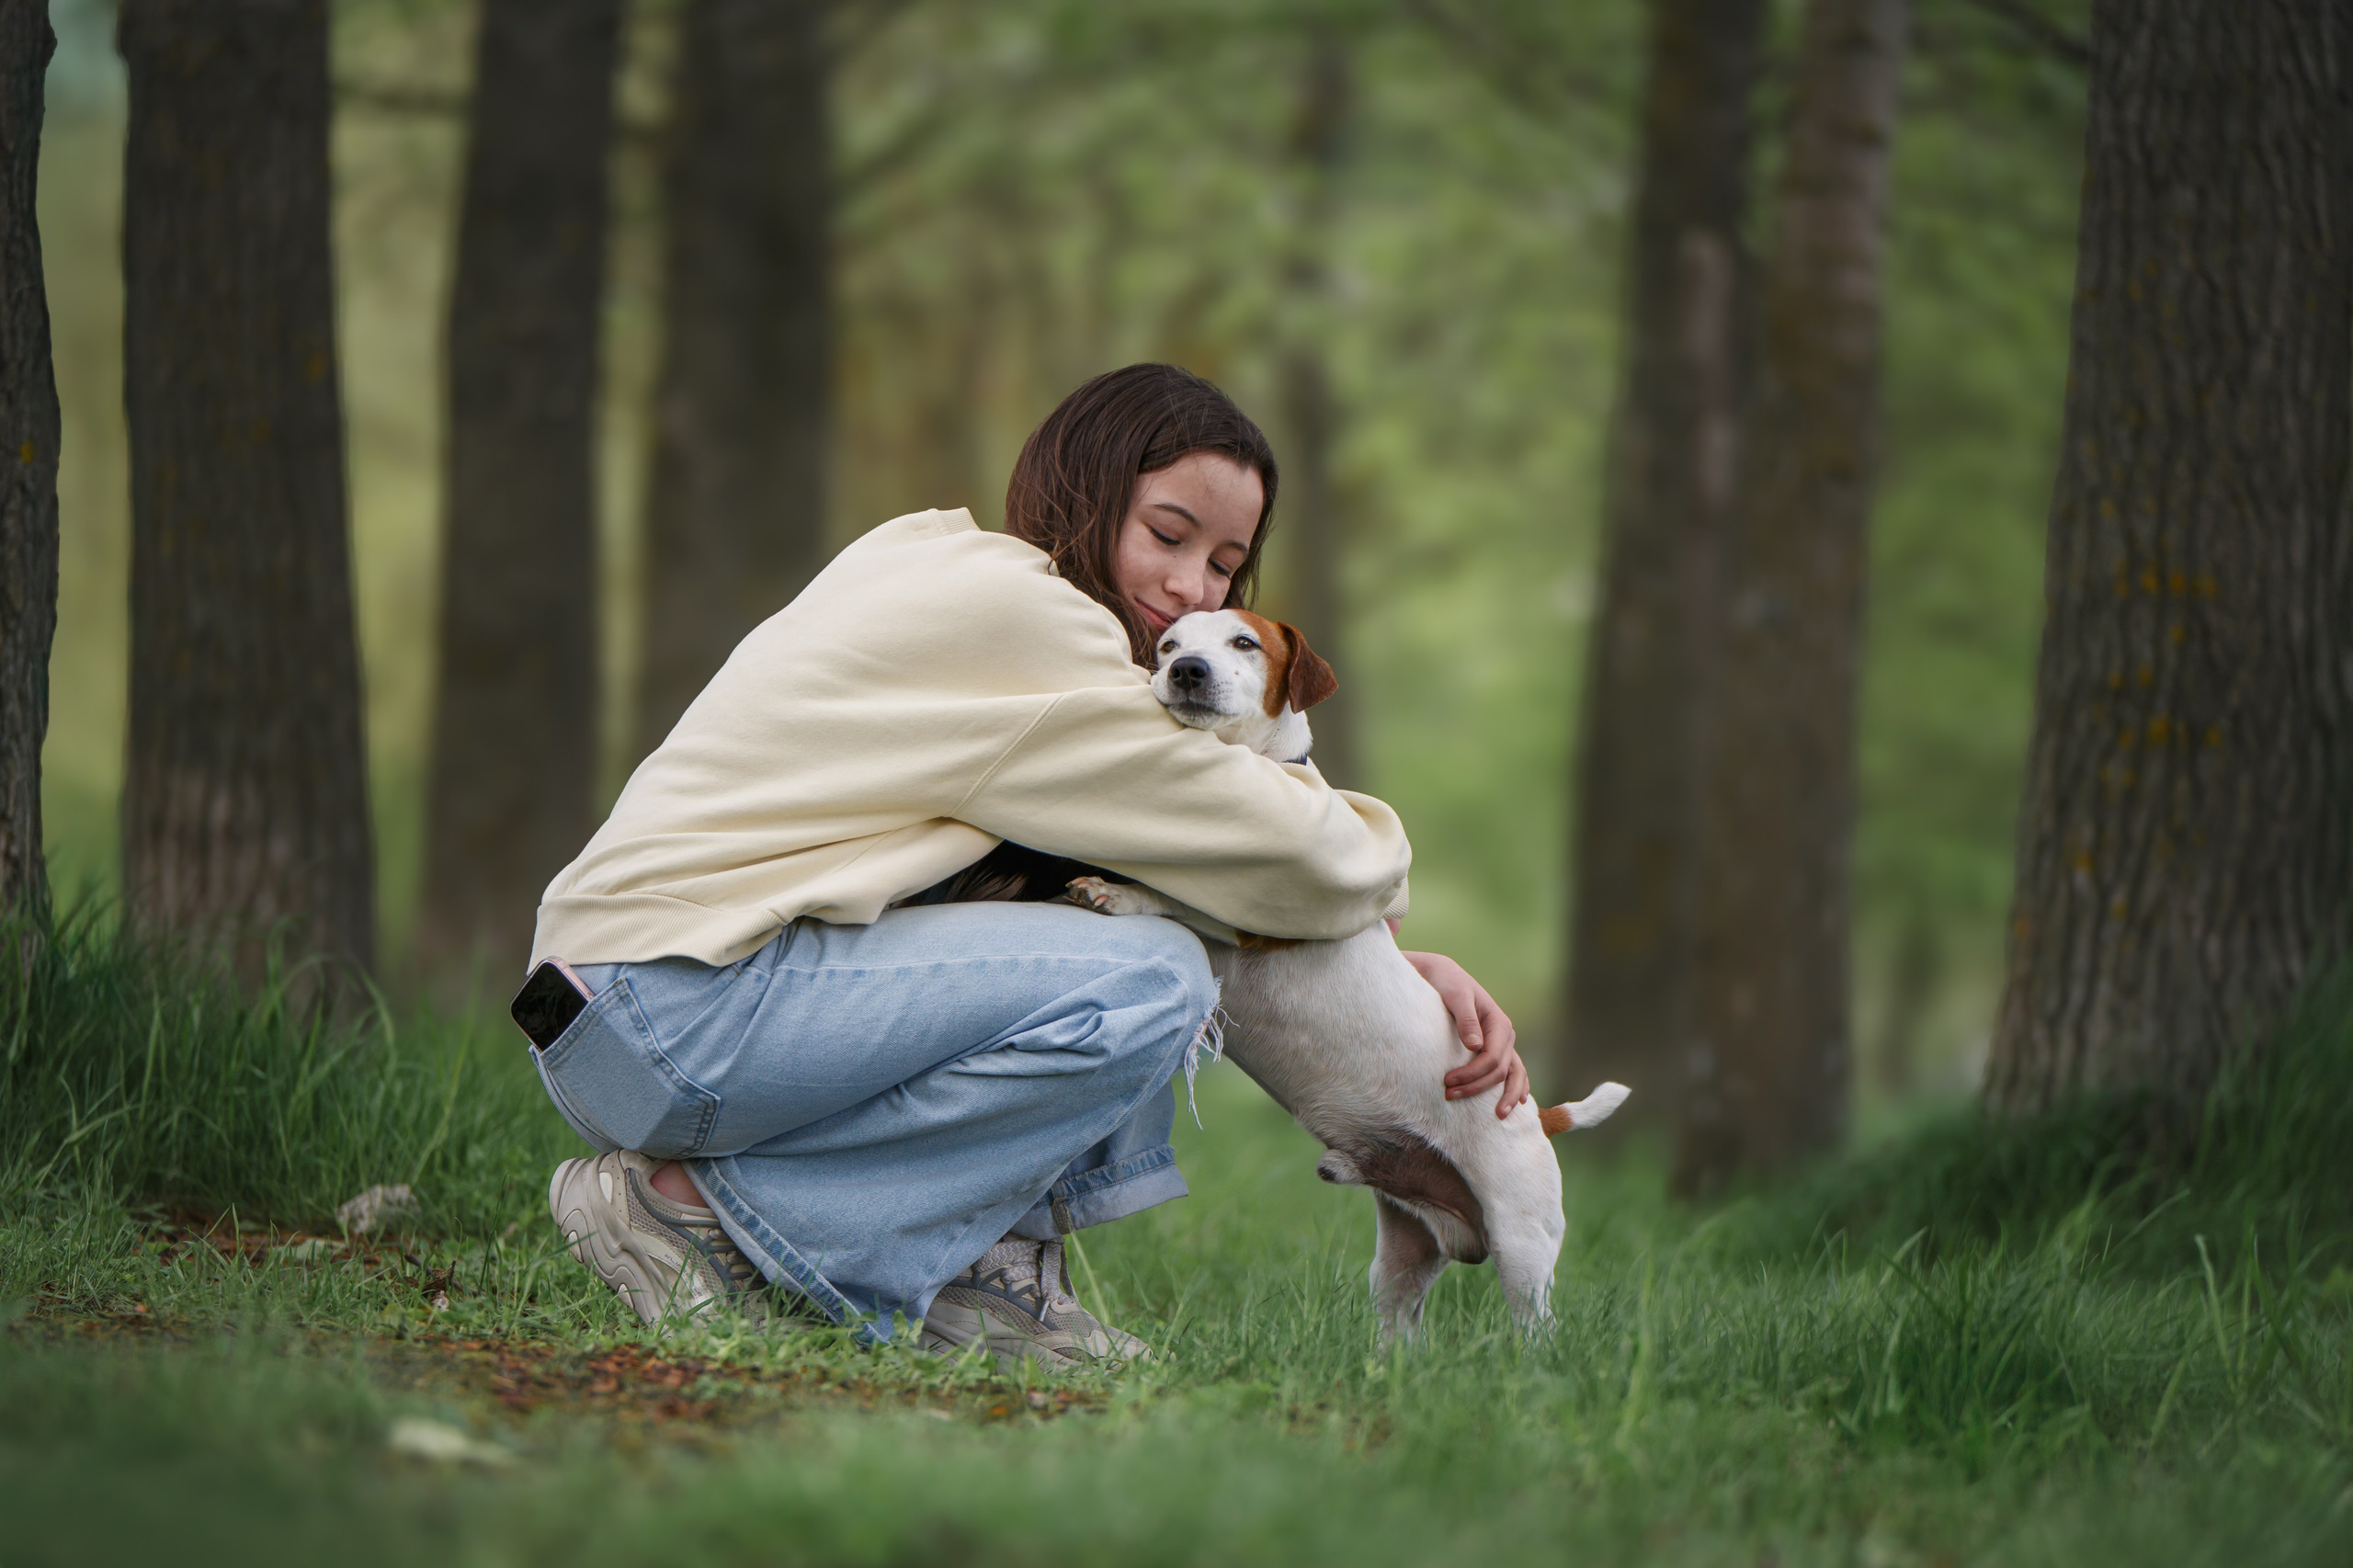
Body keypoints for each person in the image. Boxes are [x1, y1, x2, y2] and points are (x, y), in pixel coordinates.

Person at [529, 363, 1529, 1369]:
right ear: (1085, 492)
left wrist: (1392, 968)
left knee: (1117, 905)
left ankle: (974, 1265)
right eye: (1167, 534)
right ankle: (690, 1214)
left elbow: (1225, 862)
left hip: (627, 1006)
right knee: (1147, 972)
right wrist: (1376, 886)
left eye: (1225, 563)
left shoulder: (932, 559)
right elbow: (1294, 850)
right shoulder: (1041, 631)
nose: (1192, 585)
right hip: (673, 1009)